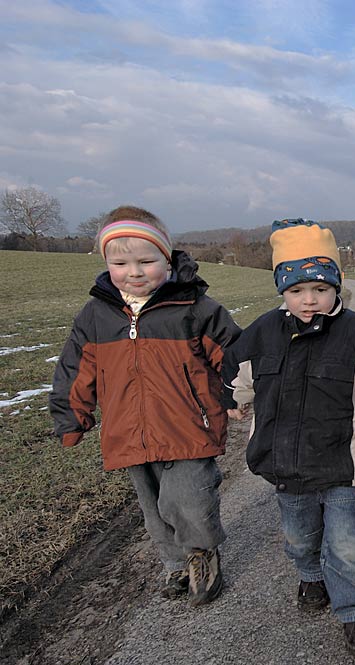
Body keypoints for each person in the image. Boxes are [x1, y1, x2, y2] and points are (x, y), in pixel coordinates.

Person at [222, 218, 355, 657]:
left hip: (341, 466)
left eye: (320, 288)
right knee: (299, 538)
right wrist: (229, 398)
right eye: (297, 290)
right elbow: (234, 372)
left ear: (336, 284)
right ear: (283, 290)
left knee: (347, 545)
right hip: (285, 465)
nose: (309, 299)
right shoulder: (263, 331)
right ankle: (311, 577)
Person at [50, 205, 241, 606]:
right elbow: (74, 368)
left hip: (189, 425)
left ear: (166, 259)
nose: (134, 272)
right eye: (120, 263)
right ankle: (174, 563)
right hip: (129, 431)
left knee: (190, 499)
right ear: (105, 263)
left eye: (146, 261)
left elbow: (235, 355)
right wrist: (72, 418)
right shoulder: (96, 315)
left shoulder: (194, 308)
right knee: (154, 507)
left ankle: (202, 554)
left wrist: (237, 395)